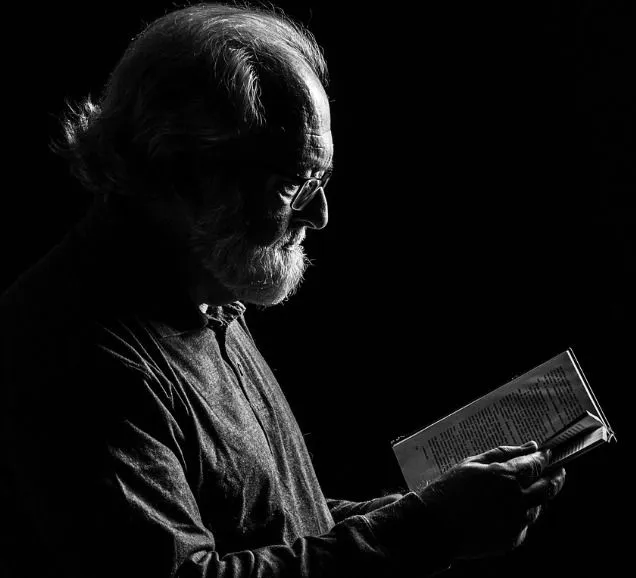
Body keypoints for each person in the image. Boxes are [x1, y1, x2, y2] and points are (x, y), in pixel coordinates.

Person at [0, 3, 566, 577]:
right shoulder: (79, 349)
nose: (320, 214)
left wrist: (426, 511)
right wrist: (428, 528)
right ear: (183, 172)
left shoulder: (205, 291)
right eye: (295, 182)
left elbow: (274, 529)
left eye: (321, 179)